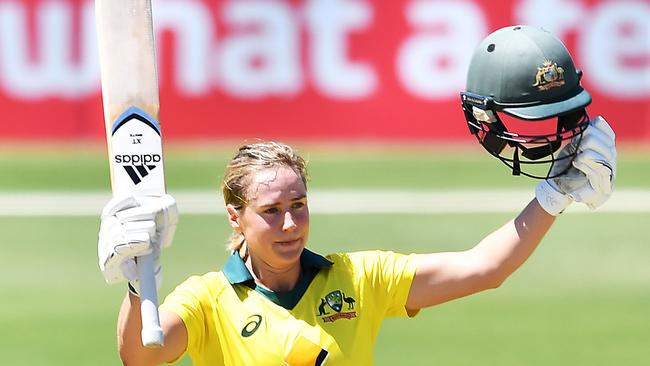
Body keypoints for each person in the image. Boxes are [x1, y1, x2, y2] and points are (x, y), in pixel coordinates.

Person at [97, 25, 617, 365]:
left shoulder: (359, 279)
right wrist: (136, 280)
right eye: (271, 211)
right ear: (236, 217)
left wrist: (555, 193)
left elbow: (486, 268)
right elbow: (140, 355)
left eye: (298, 205)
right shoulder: (209, 299)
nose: (290, 224)